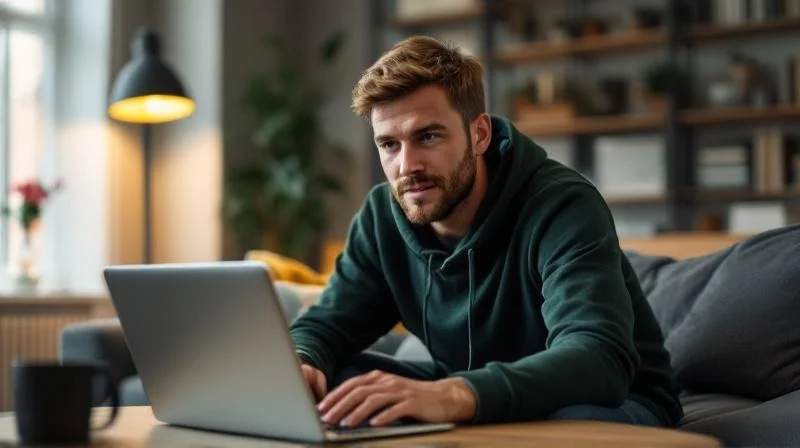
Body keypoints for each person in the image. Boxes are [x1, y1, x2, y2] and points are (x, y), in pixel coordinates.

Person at [288, 35, 682, 430]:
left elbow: (599, 358)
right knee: (339, 388)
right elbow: (327, 325)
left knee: (568, 424)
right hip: (471, 390)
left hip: (613, 401)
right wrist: (301, 361)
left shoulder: (562, 205)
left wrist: (459, 395)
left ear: (479, 135)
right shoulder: (382, 217)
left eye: (428, 136)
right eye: (389, 144)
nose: (407, 165)